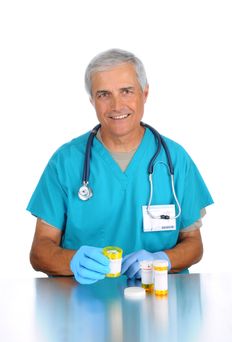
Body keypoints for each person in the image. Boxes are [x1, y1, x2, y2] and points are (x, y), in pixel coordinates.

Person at [27, 48, 213, 284]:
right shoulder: (65, 161)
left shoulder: (175, 159)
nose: (116, 105)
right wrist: (71, 261)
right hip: (83, 304)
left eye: (126, 91)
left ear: (145, 93)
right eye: (104, 94)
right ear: (92, 100)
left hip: (157, 297)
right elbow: (40, 251)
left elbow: (194, 244)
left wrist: (162, 259)